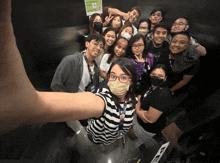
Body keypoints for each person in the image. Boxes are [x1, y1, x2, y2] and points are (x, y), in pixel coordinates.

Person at [0, 0, 137, 140]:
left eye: (101, 46)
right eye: (96, 44)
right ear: (87, 43)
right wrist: (47, 104)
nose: (98, 48)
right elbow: (55, 85)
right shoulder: (71, 61)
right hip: (68, 105)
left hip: (83, 107)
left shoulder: (95, 68)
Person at [86, 57, 137, 145]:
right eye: (113, 76)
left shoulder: (132, 100)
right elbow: (95, 103)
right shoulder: (104, 97)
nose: (117, 81)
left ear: (131, 81)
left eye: (123, 77)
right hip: (95, 139)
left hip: (112, 140)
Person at [128, 64, 173, 144]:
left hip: (147, 128)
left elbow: (149, 119)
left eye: (160, 76)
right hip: (138, 118)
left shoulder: (163, 95)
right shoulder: (151, 86)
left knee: (131, 136)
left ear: (165, 78)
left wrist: (137, 110)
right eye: (154, 74)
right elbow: (139, 97)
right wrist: (140, 110)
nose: (156, 77)